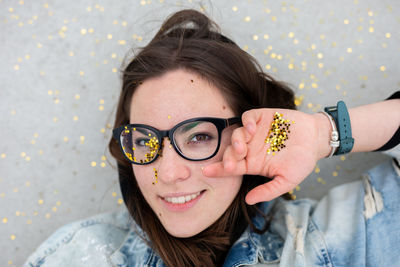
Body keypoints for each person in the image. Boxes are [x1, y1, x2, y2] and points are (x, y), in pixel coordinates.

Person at [24, 9, 400, 267]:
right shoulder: (81, 253)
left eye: (200, 137)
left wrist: (323, 133)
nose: (168, 173)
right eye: (144, 141)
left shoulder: (330, 242)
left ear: (251, 133)